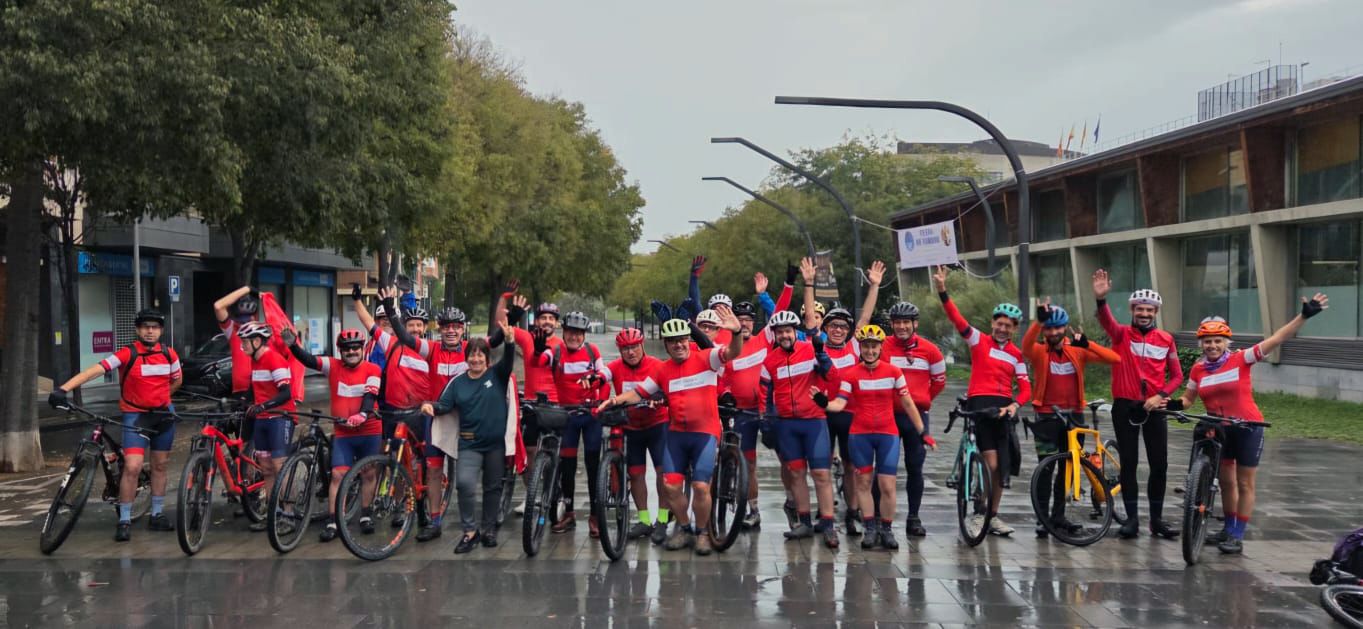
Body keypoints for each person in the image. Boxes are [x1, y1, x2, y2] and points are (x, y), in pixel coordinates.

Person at [1169, 293, 1328, 554]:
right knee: (1226, 483)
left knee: (1244, 483)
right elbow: (1188, 399)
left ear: (1226, 342)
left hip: (1248, 427)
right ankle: (1227, 528)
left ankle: (1237, 534)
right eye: (1207, 341)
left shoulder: (1242, 358)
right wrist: (1171, 404)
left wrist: (1303, 316)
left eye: (1217, 341)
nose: (1212, 345)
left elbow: (1276, 339)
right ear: (1201, 344)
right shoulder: (1198, 369)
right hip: (1220, 429)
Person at [598, 307, 744, 556]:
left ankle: (702, 533)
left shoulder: (706, 358)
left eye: (682, 340)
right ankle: (685, 528)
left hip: (705, 434)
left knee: (700, 486)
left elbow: (732, 352)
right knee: (671, 486)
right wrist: (614, 400)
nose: (679, 345)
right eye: (673, 342)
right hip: (677, 435)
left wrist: (737, 333)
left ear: (688, 340)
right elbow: (638, 393)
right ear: (665, 345)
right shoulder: (662, 370)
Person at [50, 309, 182, 542]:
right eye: (145, 327)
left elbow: (177, 380)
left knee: (160, 466)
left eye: (155, 327)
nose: (150, 331)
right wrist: (63, 389)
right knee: (132, 466)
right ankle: (125, 520)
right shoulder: (127, 353)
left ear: (161, 331)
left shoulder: (169, 354)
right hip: (135, 416)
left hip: (163, 416)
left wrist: (161, 398)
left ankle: (157, 514)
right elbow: (93, 371)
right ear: (137, 330)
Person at [817, 324, 934, 550]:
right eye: (866, 346)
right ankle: (870, 528)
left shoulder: (893, 372)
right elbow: (840, 403)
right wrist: (824, 403)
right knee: (863, 483)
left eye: (874, 347)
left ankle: (886, 529)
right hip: (860, 434)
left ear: (880, 348)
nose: (869, 351)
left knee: (887, 485)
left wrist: (923, 431)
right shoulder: (851, 374)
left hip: (887, 434)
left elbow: (908, 404)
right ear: (860, 348)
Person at [933, 264, 1030, 537]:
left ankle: (992, 516)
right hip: (980, 407)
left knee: (1002, 470)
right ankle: (979, 512)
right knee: (992, 464)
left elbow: (1026, 388)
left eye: (1008, 326)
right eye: (999, 324)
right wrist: (942, 290)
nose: (1002, 329)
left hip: (1003, 411)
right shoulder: (978, 340)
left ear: (1014, 329)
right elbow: (957, 318)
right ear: (992, 324)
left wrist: (1015, 405)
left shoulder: (1016, 355)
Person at [1091, 270, 1184, 540]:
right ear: (1132, 310)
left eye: (1149, 310)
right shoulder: (1121, 335)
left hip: (1155, 407)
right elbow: (1106, 321)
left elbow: (1177, 376)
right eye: (1140, 309)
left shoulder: (1166, 339)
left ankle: (1156, 520)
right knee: (1129, 463)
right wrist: (1101, 300)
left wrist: (1161, 395)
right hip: (1125, 406)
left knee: (1160, 464)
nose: (1144, 313)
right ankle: (1132, 520)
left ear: (1155, 312)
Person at [799, 258, 886, 537]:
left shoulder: (854, 348)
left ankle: (851, 513)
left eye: (843, 327)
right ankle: (825, 514)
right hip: (822, 415)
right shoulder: (816, 346)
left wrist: (874, 286)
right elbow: (810, 319)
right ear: (826, 329)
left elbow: (865, 319)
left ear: (849, 332)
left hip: (849, 415)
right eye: (833, 325)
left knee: (851, 467)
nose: (838, 330)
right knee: (821, 467)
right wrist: (809, 283)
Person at [353, 286, 447, 541]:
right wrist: (357, 300)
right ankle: (397, 504)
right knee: (394, 458)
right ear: (403, 326)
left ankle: (422, 507)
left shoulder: (431, 350)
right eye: (411, 325)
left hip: (420, 414)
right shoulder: (392, 343)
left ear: (424, 328)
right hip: (392, 413)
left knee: (423, 463)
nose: (414, 329)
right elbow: (369, 323)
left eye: (419, 325)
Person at [1020, 299, 1120, 538]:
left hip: (1074, 416)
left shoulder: (1076, 350)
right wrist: (1038, 321)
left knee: (1068, 468)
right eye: (1049, 329)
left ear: (1065, 327)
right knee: (1045, 469)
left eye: (1057, 328)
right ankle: (1042, 518)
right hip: (1046, 416)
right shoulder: (1039, 352)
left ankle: (1058, 516)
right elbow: (1025, 346)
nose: (1053, 332)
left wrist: (1088, 343)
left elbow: (1114, 359)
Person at [423, 322, 520, 553]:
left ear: (487, 359)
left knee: (492, 487)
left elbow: (508, 361)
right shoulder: (458, 382)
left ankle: (488, 529)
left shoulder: (497, 375)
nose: (476, 360)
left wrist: (509, 341)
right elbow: (445, 405)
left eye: (480, 356)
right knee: (465, 484)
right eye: (472, 356)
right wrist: (431, 407)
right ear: (466, 359)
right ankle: (469, 531)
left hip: (495, 444)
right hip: (469, 443)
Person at [286, 329, 383, 542]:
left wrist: (362, 414)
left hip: (369, 430)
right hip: (343, 432)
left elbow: (370, 396)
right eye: (347, 349)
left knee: (368, 474)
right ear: (340, 351)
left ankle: (365, 515)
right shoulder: (333, 365)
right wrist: (293, 346)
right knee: (338, 475)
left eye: (356, 347)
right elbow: (310, 360)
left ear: (362, 349)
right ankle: (333, 521)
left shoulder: (373, 369)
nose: (352, 351)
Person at [760, 308, 838, 548]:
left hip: (814, 421)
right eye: (780, 332)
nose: (784, 335)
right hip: (787, 424)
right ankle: (804, 522)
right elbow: (765, 393)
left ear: (795, 332)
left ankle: (828, 524)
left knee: (821, 474)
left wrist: (822, 356)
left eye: (788, 331)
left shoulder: (810, 350)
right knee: (796, 473)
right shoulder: (769, 361)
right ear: (775, 335)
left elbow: (833, 377)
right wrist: (766, 420)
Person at [600, 328, 671, 544]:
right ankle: (644, 520)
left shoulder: (657, 365)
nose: (631, 352)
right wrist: (594, 378)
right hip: (631, 427)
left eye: (634, 347)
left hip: (657, 424)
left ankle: (662, 519)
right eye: (625, 349)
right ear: (620, 350)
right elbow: (603, 374)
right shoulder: (615, 366)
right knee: (636, 474)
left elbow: (667, 386)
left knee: (662, 473)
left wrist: (659, 396)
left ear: (642, 345)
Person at [543, 311, 609, 536]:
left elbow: (604, 378)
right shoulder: (556, 351)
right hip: (567, 416)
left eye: (578, 333)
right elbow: (538, 362)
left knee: (593, 466)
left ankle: (594, 516)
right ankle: (569, 514)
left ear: (584, 335)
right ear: (563, 333)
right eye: (570, 332)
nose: (574, 337)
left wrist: (601, 404)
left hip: (590, 416)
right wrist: (537, 350)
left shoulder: (593, 351)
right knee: (568, 467)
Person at [721, 299, 779, 531]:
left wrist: (784, 286)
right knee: (746, 463)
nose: (744, 324)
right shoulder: (728, 348)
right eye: (740, 320)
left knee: (785, 460)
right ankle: (747, 507)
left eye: (748, 320)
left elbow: (779, 313)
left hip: (765, 410)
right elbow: (721, 378)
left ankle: (763, 509)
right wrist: (726, 394)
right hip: (740, 413)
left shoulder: (764, 339)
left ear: (754, 323)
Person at [237, 321, 296, 531]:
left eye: (245, 342)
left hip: (280, 418)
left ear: (257, 341)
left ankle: (289, 514)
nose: (242, 346)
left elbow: (286, 393)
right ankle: (273, 513)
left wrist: (263, 406)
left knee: (280, 466)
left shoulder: (274, 359)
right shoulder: (255, 361)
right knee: (267, 468)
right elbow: (254, 390)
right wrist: (243, 403)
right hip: (262, 419)